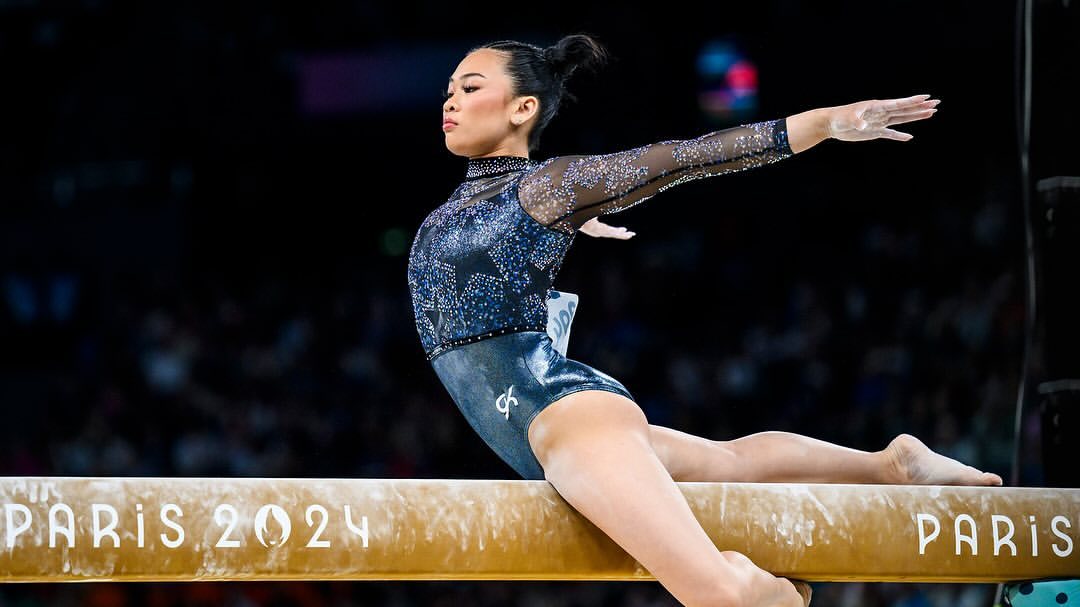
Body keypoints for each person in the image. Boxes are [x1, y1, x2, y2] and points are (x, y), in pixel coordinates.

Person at [407, 33, 1003, 607]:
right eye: (448, 92)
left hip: (565, 421)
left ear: (523, 109)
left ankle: (773, 594)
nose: (450, 101)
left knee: (720, 595)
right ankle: (889, 465)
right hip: (538, 433)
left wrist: (825, 122)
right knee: (730, 464)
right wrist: (564, 221)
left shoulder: (549, 187)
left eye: (470, 87)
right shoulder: (489, 206)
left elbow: (688, 158)